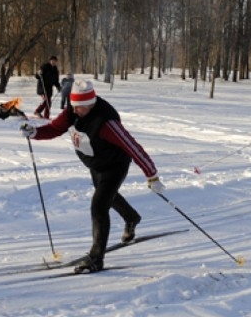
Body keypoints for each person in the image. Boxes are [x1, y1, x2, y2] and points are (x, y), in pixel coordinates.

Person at [20, 80, 165, 273]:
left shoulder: (107, 123)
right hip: (96, 163)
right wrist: (35, 132)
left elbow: (132, 147)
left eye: (80, 107)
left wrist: (152, 175)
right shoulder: (73, 110)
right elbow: (55, 128)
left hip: (114, 166)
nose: (76, 111)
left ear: (91, 103)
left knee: (98, 207)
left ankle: (96, 258)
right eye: (74, 106)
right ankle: (131, 218)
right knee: (106, 196)